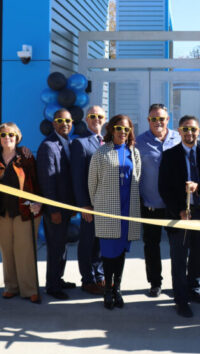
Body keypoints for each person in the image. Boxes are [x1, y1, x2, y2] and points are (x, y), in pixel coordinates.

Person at [158, 115, 200, 318]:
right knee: (179, 257)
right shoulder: (169, 155)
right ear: (179, 132)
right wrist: (179, 210)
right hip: (180, 215)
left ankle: (194, 289)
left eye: (193, 129)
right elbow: (164, 188)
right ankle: (181, 299)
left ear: (199, 131)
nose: (189, 133)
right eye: (185, 129)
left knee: (198, 253)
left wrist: (199, 187)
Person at [88, 114, 142, 309]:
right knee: (108, 254)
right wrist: (100, 206)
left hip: (127, 211)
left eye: (126, 129)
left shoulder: (133, 152)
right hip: (108, 212)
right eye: (119, 128)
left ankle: (117, 289)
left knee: (120, 254)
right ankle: (108, 291)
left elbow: (137, 179)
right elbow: (92, 184)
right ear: (111, 130)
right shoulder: (101, 153)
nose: (122, 132)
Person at [0, 122, 43, 304]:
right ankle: (11, 287)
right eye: (3, 135)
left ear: (17, 137)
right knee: (7, 250)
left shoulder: (25, 157)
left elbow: (36, 181)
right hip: (1, 211)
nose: (7, 138)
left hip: (24, 211)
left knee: (25, 250)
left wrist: (38, 202)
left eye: (11, 135)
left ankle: (29, 289)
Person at [135, 103, 181, 297]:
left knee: (177, 247)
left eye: (161, 118)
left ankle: (179, 284)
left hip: (174, 206)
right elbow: (135, 172)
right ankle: (155, 282)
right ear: (148, 120)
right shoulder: (139, 142)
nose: (158, 122)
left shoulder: (178, 138)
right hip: (150, 205)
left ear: (168, 119)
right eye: (154, 119)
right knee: (152, 246)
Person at [36, 109, 77, 300]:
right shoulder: (48, 146)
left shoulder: (67, 143)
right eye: (60, 121)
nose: (65, 124)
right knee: (55, 247)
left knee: (62, 245)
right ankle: (52, 286)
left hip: (66, 207)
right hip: (56, 209)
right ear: (53, 123)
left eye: (68, 121)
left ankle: (58, 279)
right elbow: (47, 181)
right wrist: (53, 210)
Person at [70, 105, 107, 295]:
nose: (96, 119)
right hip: (90, 205)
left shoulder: (107, 142)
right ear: (86, 119)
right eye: (92, 116)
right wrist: (83, 204)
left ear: (105, 118)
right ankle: (87, 279)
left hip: (106, 204)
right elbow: (77, 177)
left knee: (100, 243)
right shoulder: (79, 143)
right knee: (87, 243)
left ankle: (99, 276)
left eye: (100, 116)